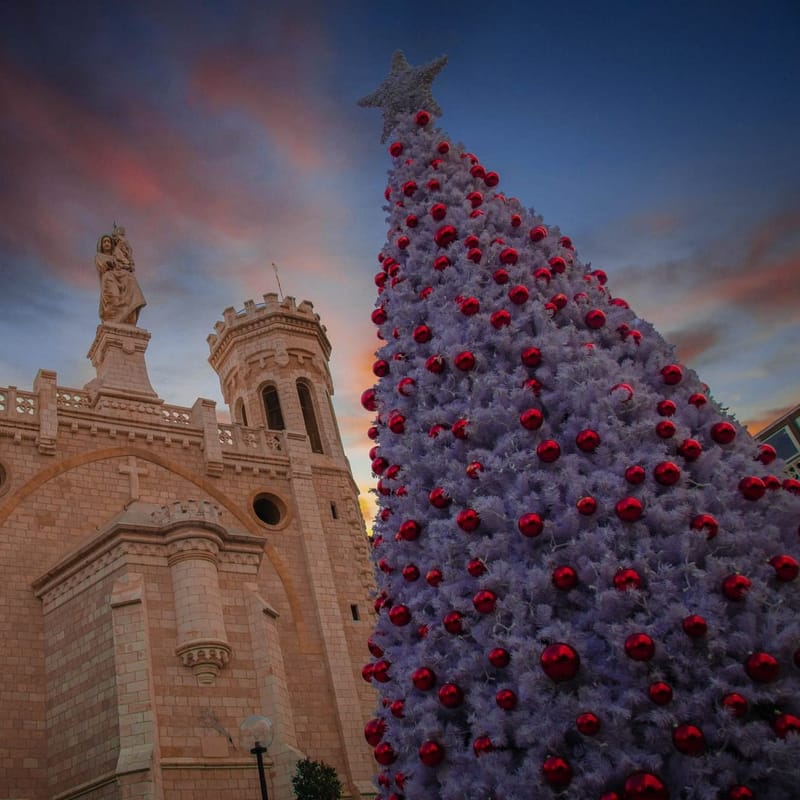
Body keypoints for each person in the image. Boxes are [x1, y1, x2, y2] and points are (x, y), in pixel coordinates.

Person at [94, 227, 146, 325]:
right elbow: (104, 265)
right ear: (101, 244)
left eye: (108, 241)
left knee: (131, 279)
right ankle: (115, 319)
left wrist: (121, 240)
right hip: (109, 278)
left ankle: (129, 316)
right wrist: (116, 263)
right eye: (104, 242)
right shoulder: (99, 256)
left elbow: (127, 258)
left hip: (121, 275)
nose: (106, 243)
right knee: (114, 296)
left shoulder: (118, 255)